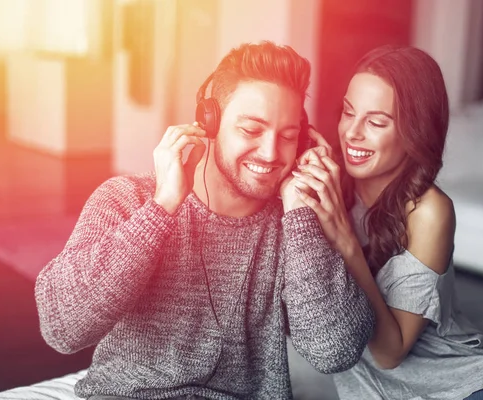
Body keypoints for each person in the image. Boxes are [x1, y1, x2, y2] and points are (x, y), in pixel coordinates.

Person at [34, 41, 374, 400]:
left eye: (288, 137)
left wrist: (299, 214)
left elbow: (334, 351)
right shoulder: (128, 198)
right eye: (251, 130)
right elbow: (62, 327)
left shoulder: (294, 228)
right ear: (209, 123)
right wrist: (162, 208)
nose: (272, 153)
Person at [291, 45, 483, 400]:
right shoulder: (331, 187)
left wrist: (346, 243)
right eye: (348, 112)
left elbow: (390, 352)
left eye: (375, 122)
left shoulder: (429, 212)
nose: (352, 133)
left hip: (464, 388)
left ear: (413, 131)